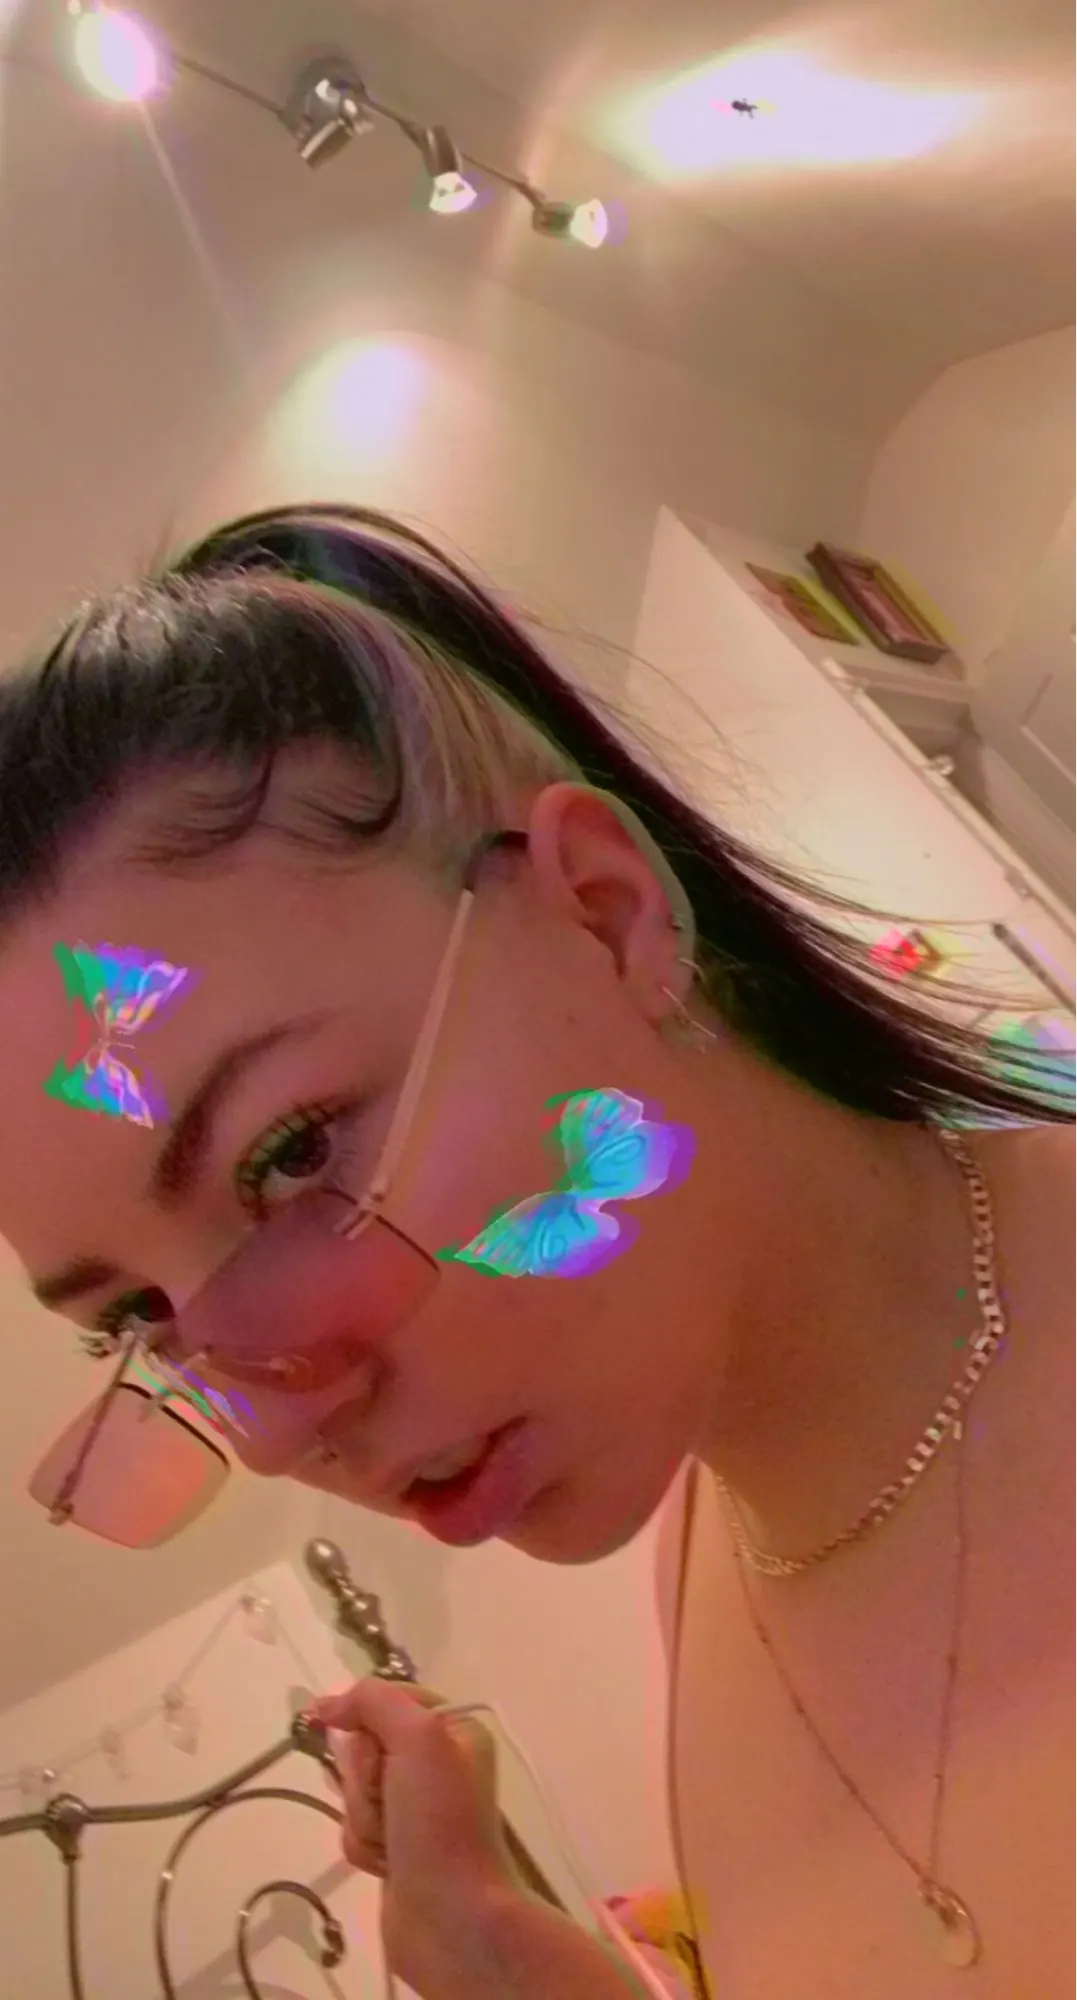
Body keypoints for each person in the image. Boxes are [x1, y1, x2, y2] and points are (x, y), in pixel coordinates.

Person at [0, 504, 1072, 1999]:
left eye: (289, 1155)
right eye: (139, 1319)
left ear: (604, 913)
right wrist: (515, 1961)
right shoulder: (701, 1587)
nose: (274, 1425)